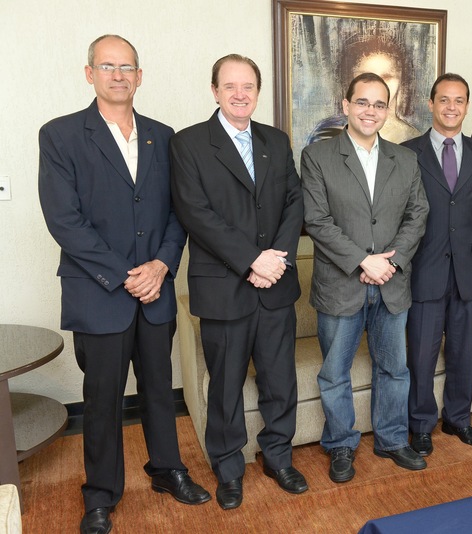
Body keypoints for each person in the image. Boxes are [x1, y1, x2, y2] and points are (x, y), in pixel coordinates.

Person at [38, 34, 210, 534]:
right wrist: (124, 275)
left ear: (139, 76)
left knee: (159, 388)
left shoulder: (163, 136)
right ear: (89, 73)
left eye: (127, 67)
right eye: (107, 66)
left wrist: (161, 266)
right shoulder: (61, 135)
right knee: (102, 399)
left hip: (155, 290)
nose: (118, 75)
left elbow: (180, 211)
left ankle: (167, 470)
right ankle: (100, 494)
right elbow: (64, 221)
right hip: (99, 294)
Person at [169, 54, 306, 510]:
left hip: (276, 285)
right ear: (215, 91)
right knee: (225, 387)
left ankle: (278, 457)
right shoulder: (188, 143)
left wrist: (276, 260)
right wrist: (251, 261)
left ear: (258, 92)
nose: (240, 94)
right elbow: (195, 213)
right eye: (230, 86)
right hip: (225, 288)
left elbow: (294, 202)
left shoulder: (276, 140)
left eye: (248, 86)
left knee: (280, 381)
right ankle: (228, 469)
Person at [301, 72, 429, 482]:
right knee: (334, 373)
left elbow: (417, 215)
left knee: (394, 370)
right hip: (341, 286)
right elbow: (316, 221)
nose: (370, 111)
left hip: (392, 283)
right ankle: (340, 444)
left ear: (387, 110)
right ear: (346, 105)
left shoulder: (405, 159)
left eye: (378, 104)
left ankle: (392, 439)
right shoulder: (318, 156)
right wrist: (363, 261)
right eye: (362, 102)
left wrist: (392, 261)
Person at [401, 73, 472, 456]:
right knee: (421, 356)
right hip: (423, 271)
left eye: (459, 100)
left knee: (463, 353)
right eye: (444, 99)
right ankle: (421, 425)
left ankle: (459, 419)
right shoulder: (406, 152)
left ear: (467, 106)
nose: (451, 107)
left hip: (470, 273)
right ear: (431, 103)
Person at [307, 36, 421, 144]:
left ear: (402, 81)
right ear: (350, 79)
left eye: (387, 77)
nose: (377, 85)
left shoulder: (413, 138)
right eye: (367, 76)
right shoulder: (327, 132)